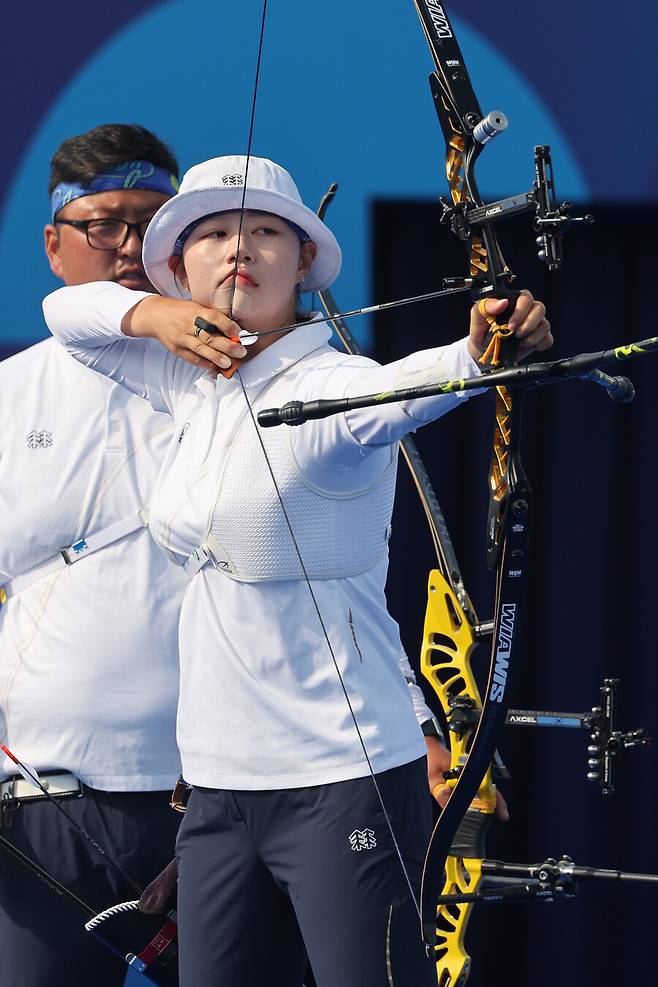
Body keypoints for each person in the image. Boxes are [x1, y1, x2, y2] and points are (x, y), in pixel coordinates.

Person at [43, 154, 551, 987]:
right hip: (213, 787)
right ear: (178, 268)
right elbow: (66, 309)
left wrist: (478, 350)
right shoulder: (181, 378)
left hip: (340, 775)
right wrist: (154, 320)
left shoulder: (333, 384)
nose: (238, 245)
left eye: (265, 230)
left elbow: (399, 389)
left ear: (303, 263)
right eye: (210, 232)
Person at [0, 124, 188, 987]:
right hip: (38, 795)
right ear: (52, 243)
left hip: (214, 791)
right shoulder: (10, 395)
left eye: (152, 223)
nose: (127, 247)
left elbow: (320, 576)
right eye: (103, 223)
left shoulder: (235, 376)